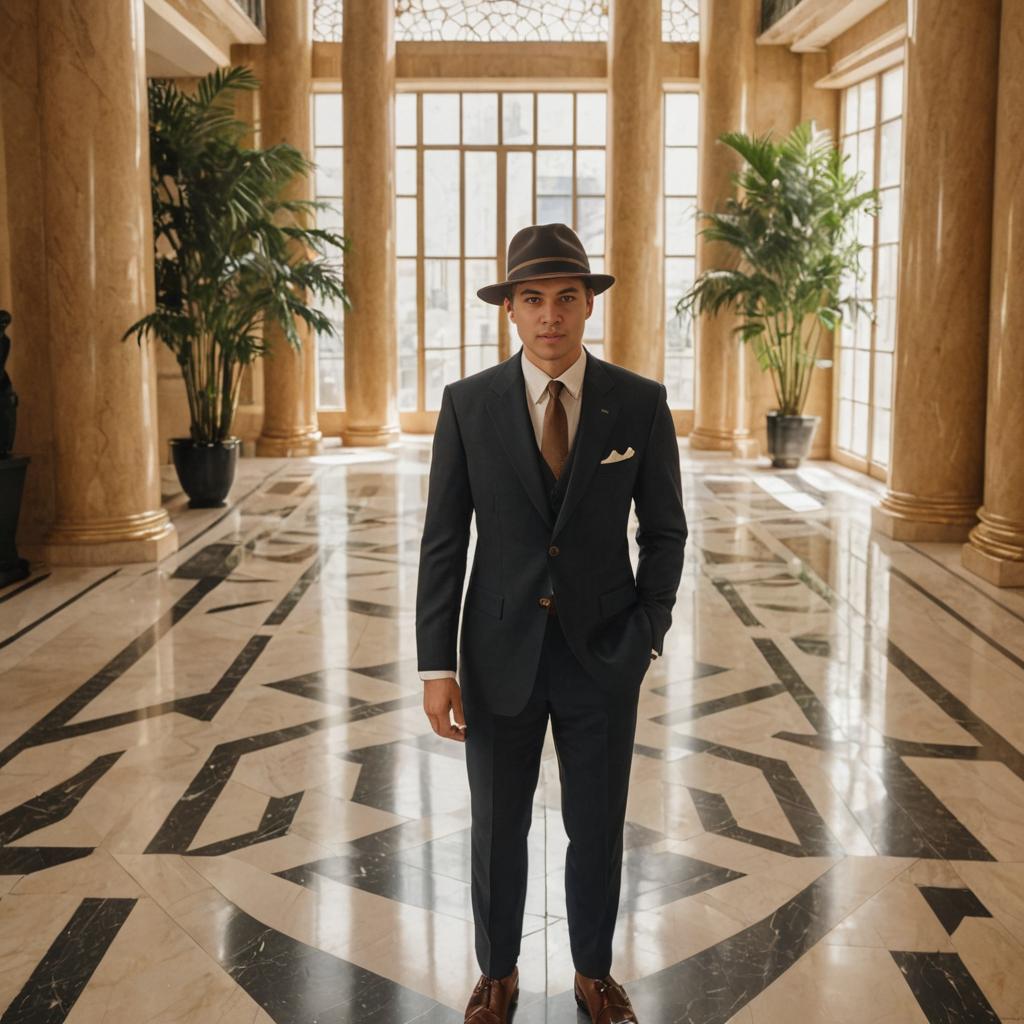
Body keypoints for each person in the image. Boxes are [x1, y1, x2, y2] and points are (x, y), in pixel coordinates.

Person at [416, 222, 687, 1023]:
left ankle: (593, 973)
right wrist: (437, 665)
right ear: (510, 310)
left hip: (605, 655)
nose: (550, 316)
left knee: (596, 825)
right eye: (532, 298)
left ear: (588, 305)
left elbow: (665, 532)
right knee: (496, 827)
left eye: (566, 297)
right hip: (497, 653)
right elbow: (443, 540)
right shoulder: (468, 406)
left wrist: (648, 634)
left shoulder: (638, 403)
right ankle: (497, 973)